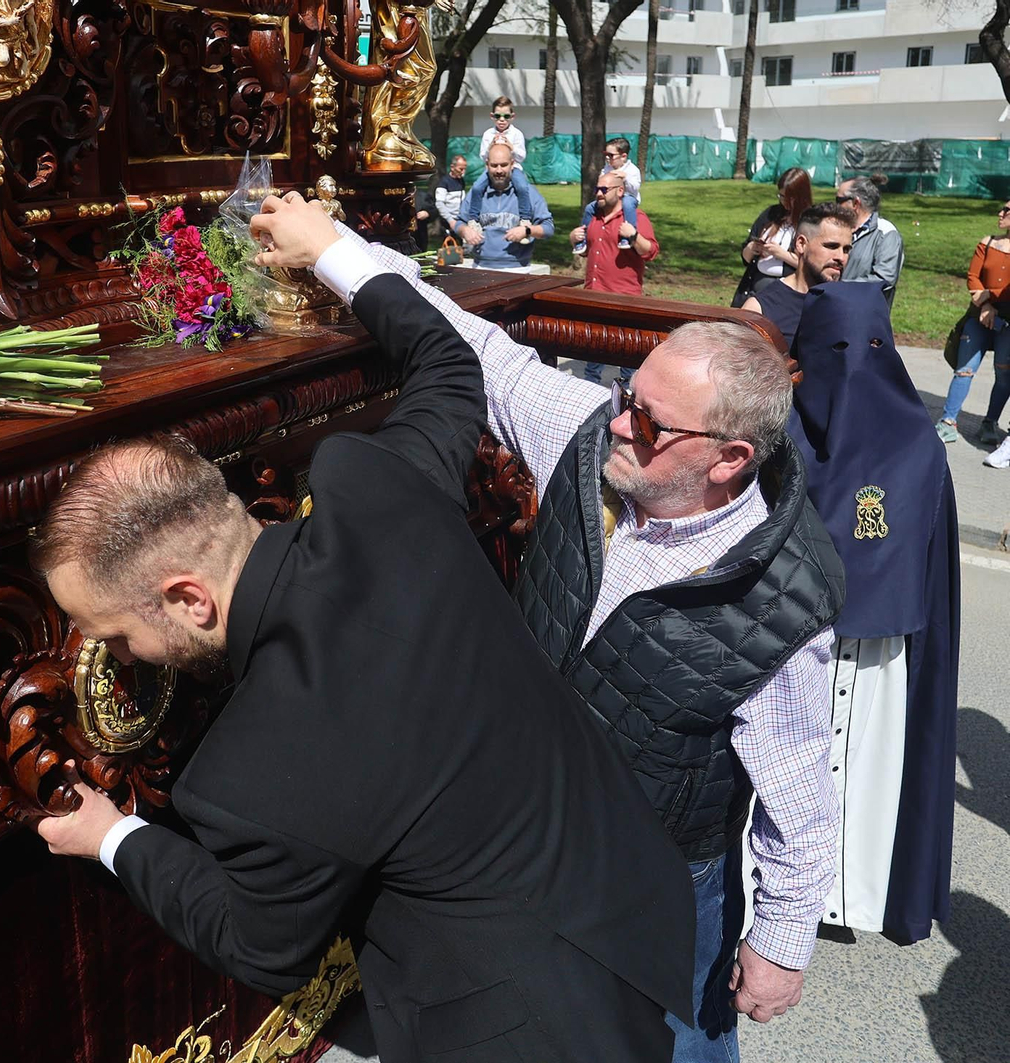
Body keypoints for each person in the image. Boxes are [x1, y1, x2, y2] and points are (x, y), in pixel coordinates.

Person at [34, 193, 696, 1063]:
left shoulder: (247, 771)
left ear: (190, 598)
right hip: (628, 898)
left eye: (116, 636)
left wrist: (112, 837)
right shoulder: (373, 489)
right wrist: (331, 251)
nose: (121, 660)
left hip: (517, 1034)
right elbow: (451, 367)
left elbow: (259, 947)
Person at [321, 229, 846, 1063]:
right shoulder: (598, 439)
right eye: (625, 395)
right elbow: (485, 352)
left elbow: (800, 795)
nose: (620, 421)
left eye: (650, 418)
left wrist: (780, 946)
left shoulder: (781, 601)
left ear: (729, 458)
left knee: (677, 1048)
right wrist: (335, 248)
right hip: (535, 841)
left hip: (663, 884)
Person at [786, 282, 960, 945]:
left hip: (879, 657)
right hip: (789, 649)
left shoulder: (918, 446)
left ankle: (843, 893)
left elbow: (930, 568)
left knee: (866, 765)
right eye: (834, 348)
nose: (851, 364)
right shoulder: (779, 430)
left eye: (867, 346)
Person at [571, 170, 659, 386]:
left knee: (627, 361)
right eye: (597, 189)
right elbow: (588, 252)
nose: (599, 194)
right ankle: (589, 400)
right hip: (594, 297)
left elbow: (651, 251)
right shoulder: (594, 218)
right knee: (592, 359)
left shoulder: (637, 218)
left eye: (604, 189)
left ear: (620, 191)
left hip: (624, 300)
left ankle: (628, 410)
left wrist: (634, 235)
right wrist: (573, 239)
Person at [935, 199, 1010, 446]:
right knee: (964, 370)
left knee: (1004, 375)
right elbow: (973, 277)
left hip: (1007, 323)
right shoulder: (987, 242)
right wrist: (985, 304)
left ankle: (990, 423)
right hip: (978, 316)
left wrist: (991, 293)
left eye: (1007, 210)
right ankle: (948, 422)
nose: (1000, 213)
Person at [739, 202, 855, 351]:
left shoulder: (853, 306)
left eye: (846, 249)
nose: (841, 257)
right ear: (801, 244)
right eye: (831, 246)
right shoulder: (760, 309)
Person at [453, 142, 553, 271]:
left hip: (518, 268)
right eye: (494, 166)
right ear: (487, 165)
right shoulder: (476, 193)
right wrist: (465, 231)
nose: (499, 170)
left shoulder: (528, 193)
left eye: (504, 165)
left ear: (512, 164)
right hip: (481, 266)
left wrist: (527, 230)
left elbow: (548, 228)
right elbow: (459, 223)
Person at [732, 168, 813, 308]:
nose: (784, 201)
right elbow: (745, 257)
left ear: (801, 196)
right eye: (781, 196)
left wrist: (782, 254)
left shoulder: (810, 221)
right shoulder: (771, 214)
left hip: (786, 292)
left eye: (789, 198)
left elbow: (811, 264)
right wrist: (752, 248)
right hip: (754, 286)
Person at [835, 175, 904, 305]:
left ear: (856, 203)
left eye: (839, 200)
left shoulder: (886, 233)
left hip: (865, 316)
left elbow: (884, 279)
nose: (835, 205)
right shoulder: (837, 229)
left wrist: (838, 288)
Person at [575, 138, 642, 253]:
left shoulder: (632, 170)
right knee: (590, 207)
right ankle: (583, 237)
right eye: (605, 154)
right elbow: (601, 181)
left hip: (628, 197)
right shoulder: (607, 168)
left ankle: (628, 235)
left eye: (610, 155)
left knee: (627, 204)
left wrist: (624, 177)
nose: (607, 158)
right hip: (610, 197)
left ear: (623, 156)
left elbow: (635, 188)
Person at [478, 95, 526, 166]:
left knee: (519, 177)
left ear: (512, 117)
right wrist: (490, 148)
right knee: (481, 178)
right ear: (492, 116)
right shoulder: (488, 134)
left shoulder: (517, 134)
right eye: (497, 116)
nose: (502, 119)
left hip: (513, 168)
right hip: (492, 169)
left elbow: (521, 157)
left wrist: (511, 148)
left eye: (506, 116)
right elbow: (483, 157)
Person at [433, 154, 467, 242]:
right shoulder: (444, 182)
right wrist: (450, 220)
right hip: (447, 222)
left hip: (459, 220)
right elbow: (439, 204)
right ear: (452, 167)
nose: (463, 172)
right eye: (461, 169)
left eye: (465, 169)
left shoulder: (461, 181)